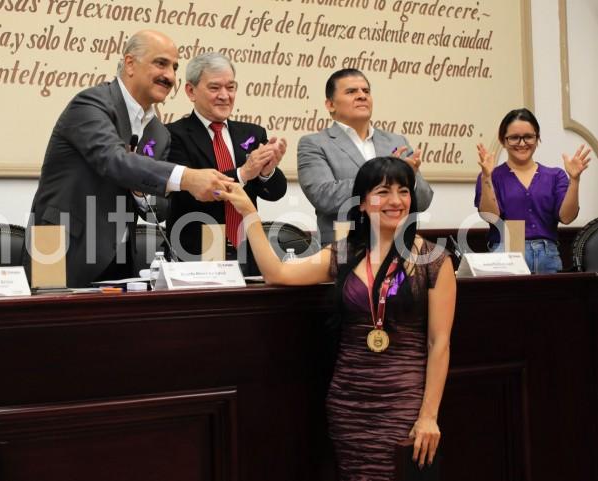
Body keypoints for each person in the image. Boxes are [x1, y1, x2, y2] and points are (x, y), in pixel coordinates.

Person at [216, 156, 455, 481]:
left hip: (405, 402)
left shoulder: (433, 260)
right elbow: (278, 273)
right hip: (348, 401)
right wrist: (250, 214)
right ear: (361, 203)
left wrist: (429, 415)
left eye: (403, 191)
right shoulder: (343, 253)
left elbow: (439, 342)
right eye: (383, 192)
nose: (395, 201)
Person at [27, 30, 232, 287]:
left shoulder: (159, 132)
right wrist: (187, 176)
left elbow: (160, 207)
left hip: (119, 255)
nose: (170, 75)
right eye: (161, 63)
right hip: (59, 244)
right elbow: (113, 160)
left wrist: (139, 193)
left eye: (174, 67)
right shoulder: (90, 104)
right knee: (48, 324)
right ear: (130, 64)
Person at [166, 52, 287, 273]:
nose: (225, 95)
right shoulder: (173, 135)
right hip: (196, 253)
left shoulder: (252, 133)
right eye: (214, 88)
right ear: (191, 91)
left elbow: (275, 193)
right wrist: (243, 173)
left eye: (230, 87)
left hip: (248, 252)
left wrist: (267, 172)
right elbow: (185, 193)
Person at [298, 68, 434, 245]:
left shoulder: (396, 141)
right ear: (330, 105)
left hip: (397, 248)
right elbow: (324, 197)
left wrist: (410, 177)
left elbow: (423, 201)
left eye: (366, 91)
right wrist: (386, 178)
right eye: (351, 91)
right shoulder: (314, 143)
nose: (362, 96)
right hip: (343, 250)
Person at [475, 108, 590, 274]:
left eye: (528, 136)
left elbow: (566, 217)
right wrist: (486, 176)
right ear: (503, 140)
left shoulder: (555, 175)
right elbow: (490, 216)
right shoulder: (492, 175)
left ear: (537, 139)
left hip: (547, 254)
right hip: (507, 254)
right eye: (514, 138)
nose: (522, 143)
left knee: (550, 300)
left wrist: (575, 180)